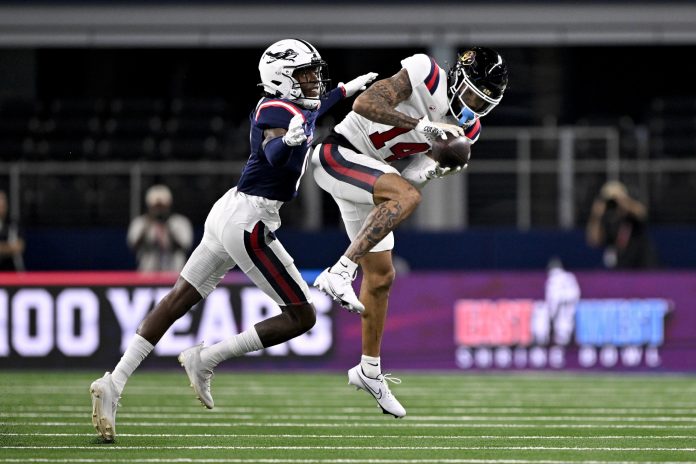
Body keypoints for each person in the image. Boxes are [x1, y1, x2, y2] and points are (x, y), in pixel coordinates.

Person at [89, 38, 377, 442]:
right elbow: (273, 148)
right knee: (302, 316)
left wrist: (344, 92)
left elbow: (312, 112)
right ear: (282, 78)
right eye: (306, 74)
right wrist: (288, 142)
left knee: (177, 299)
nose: (314, 81)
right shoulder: (276, 110)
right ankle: (207, 359)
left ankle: (114, 382)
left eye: (315, 73)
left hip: (230, 209)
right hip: (250, 220)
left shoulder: (293, 106)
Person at [311, 47, 508, 417]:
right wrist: (421, 126)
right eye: (470, 96)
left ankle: (369, 370)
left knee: (383, 276)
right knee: (405, 197)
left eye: (483, 104)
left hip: (371, 177)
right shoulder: (426, 73)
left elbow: (411, 175)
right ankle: (339, 272)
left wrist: (435, 167)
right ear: (458, 80)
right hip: (339, 153)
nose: (472, 109)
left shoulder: (468, 130)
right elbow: (364, 105)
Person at [586, 180, 659, 269]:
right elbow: (594, 240)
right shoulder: (607, 219)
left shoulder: (631, 216)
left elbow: (642, 213)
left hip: (642, 266)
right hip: (621, 269)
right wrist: (596, 216)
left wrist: (622, 199)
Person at [127, 184, 194, 272]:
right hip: (147, 274)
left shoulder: (180, 222)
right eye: (156, 206)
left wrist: (167, 226)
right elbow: (133, 246)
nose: (159, 210)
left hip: (174, 274)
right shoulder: (140, 222)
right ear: (149, 206)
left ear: (169, 205)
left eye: (162, 206)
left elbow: (184, 247)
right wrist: (148, 224)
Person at [0, 190, 25, 271]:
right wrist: (8, 247)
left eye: (3, 201)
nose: (1, 204)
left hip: (11, 273)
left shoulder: (13, 224)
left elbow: (18, 247)